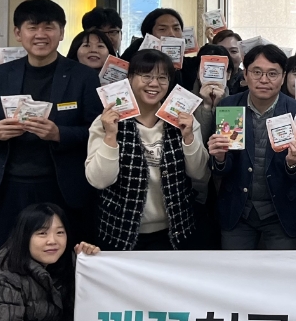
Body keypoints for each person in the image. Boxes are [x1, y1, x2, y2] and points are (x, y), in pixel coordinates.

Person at [0, 0, 102, 250]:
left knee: (61, 263)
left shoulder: (83, 76)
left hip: (61, 189)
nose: (41, 34)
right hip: (7, 190)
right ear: (18, 33)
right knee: (6, 261)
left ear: (61, 32)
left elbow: (96, 131)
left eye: (49, 27)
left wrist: (59, 134)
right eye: (32, 27)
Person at [85, 50, 209, 250]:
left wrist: (188, 137)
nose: (154, 83)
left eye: (162, 78)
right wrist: (110, 135)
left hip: (176, 230)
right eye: (146, 76)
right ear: (130, 78)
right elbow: (99, 181)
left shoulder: (183, 119)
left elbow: (199, 173)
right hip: (119, 231)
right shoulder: (107, 121)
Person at [206, 44, 296, 250]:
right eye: (257, 72)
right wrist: (219, 158)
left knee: (280, 271)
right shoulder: (229, 107)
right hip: (237, 211)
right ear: (245, 74)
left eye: (272, 73)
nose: (264, 80)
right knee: (235, 270)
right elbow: (221, 169)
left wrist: (293, 164)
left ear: (283, 77)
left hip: (281, 212)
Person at [211, 30, 246, 94]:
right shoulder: (200, 80)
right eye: (221, 50)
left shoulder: (249, 83)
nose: (227, 56)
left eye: (233, 51)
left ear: (242, 55)